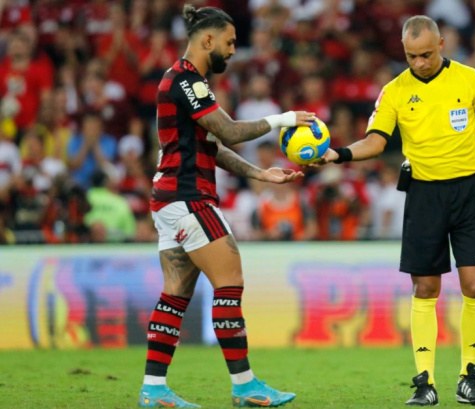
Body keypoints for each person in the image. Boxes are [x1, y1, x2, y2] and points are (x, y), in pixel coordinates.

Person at [317, 16, 475, 406]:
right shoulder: (394, 91)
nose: (419, 63)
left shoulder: (471, 80)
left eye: (425, 54)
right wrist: (339, 154)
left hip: (471, 190)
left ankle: (468, 377)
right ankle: (425, 383)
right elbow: (376, 140)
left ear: (441, 43)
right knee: (426, 288)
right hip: (424, 195)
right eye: (410, 56)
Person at [138, 5, 315, 409]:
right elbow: (231, 130)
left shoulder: (189, 83)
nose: (234, 50)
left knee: (175, 297)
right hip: (188, 197)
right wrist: (285, 118)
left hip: (170, 199)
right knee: (229, 282)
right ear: (208, 39)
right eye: (230, 42)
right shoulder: (185, 80)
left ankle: (153, 390)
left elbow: (212, 146)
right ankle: (246, 386)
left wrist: (259, 174)